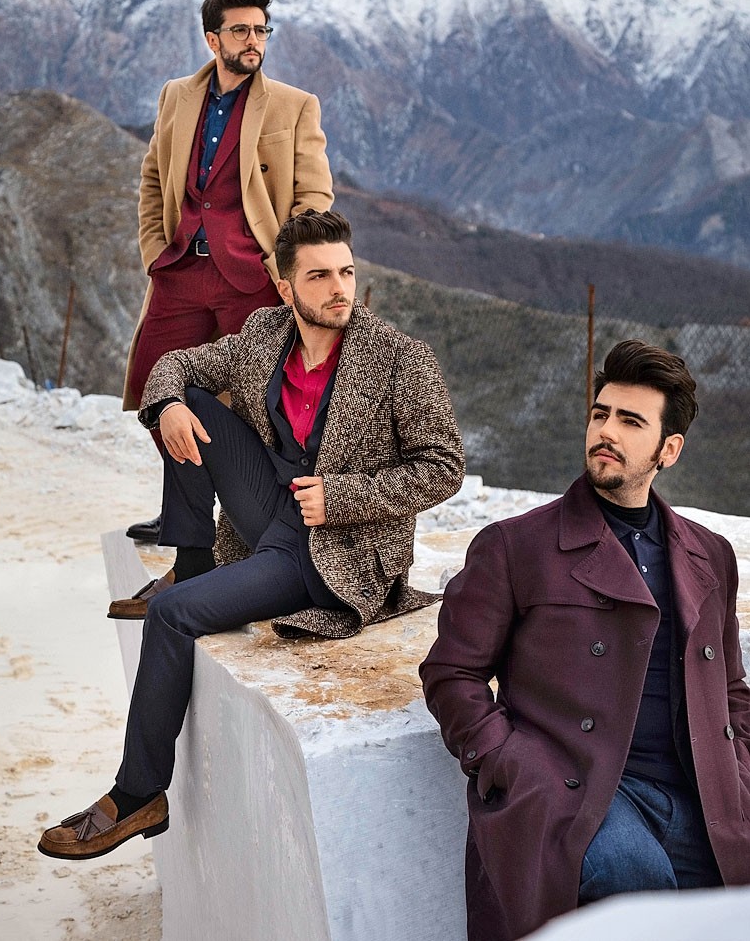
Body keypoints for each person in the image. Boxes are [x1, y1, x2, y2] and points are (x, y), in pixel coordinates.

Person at [38, 210, 465, 859]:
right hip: (271, 506)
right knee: (191, 405)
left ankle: (137, 794)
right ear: (285, 286)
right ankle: (194, 560)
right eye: (318, 276)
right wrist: (167, 404)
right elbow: (176, 361)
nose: (339, 289)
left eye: (346, 272)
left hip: (333, 549)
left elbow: (443, 465)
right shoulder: (264, 333)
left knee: (172, 616)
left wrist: (342, 498)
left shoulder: (400, 358)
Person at [420, 340, 750, 941]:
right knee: (638, 881)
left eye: (631, 422)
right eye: (601, 414)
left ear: (669, 449)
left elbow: (729, 687)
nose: (607, 431)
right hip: (575, 790)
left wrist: (741, 771)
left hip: (696, 789)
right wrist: (509, 763)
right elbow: (452, 674)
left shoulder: (711, 555)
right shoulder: (515, 546)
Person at [124, 0, 333, 542]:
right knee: (155, 385)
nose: (254, 41)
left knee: (256, 405)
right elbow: (153, 177)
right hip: (181, 269)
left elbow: (314, 197)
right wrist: (154, 252)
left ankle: (240, 520)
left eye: (261, 30)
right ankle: (186, 511)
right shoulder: (176, 95)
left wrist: (287, 267)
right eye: (241, 30)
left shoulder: (294, 105)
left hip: (253, 278)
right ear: (212, 39)